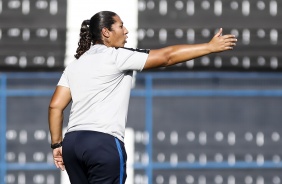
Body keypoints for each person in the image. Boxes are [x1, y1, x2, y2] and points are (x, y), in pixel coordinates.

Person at [48, 11, 237, 184]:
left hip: (73, 144)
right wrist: (209, 47)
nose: (126, 30)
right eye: (121, 26)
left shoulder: (75, 65)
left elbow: (55, 107)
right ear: (106, 32)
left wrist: (57, 144)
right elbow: (167, 57)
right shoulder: (117, 56)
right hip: (102, 143)